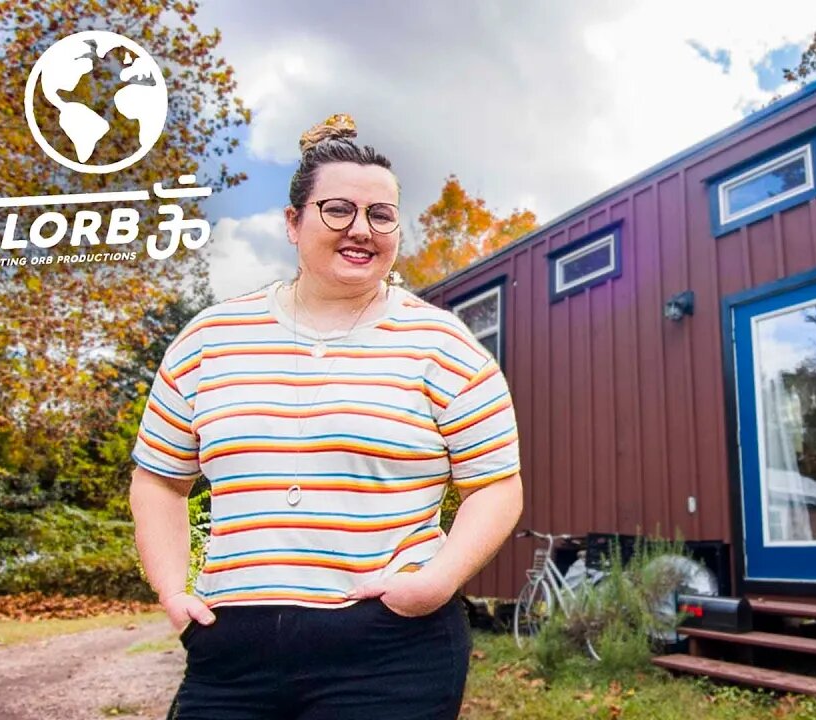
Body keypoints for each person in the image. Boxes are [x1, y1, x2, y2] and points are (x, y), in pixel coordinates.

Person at [129, 113, 523, 720]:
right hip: (230, 657)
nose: (361, 229)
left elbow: (496, 485)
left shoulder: (444, 344)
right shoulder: (209, 339)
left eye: (381, 215)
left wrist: (436, 582)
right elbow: (159, 477)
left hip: (390, 653)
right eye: (338, 210)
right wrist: (171, 590)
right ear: (293, 222)